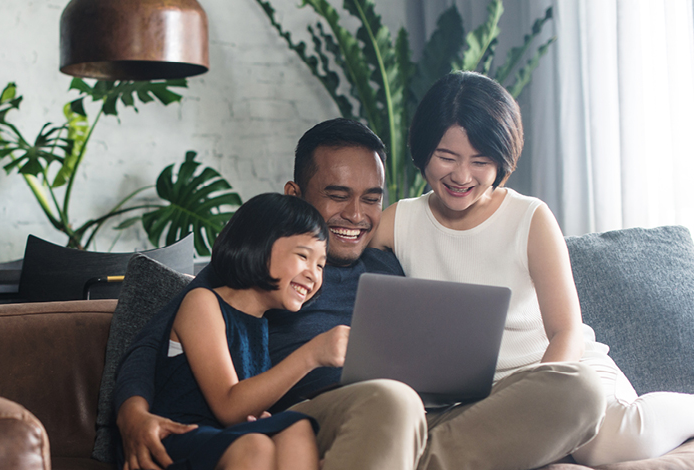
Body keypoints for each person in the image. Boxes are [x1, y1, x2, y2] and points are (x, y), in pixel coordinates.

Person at [371, 70, 694, 468]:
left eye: (480, 161)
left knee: (603, 445)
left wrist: (541, 401)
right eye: (446, 157)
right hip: (477, 397)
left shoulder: (529, 217)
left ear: (502, 161)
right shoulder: (399, 221)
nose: (461, 175)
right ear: (422, 151)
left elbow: (567, 330)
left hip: (561, 372)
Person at [113, 118, 427, 470]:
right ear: (294, 196)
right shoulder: (246, 279)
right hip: (342, 410)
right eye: (338, 196)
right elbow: (148, 347)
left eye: (371, 199)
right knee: (389, 402)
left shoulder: (387, 266)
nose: (355, 215)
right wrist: (132, 414)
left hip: (410, 414)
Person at [143, 192, 340, 470]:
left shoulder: (260, 325)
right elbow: (229, 406)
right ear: (258, 244)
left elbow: (243, 410)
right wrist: (313, 354)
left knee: (296, 427)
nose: (314, 274)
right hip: (176, 441)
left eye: (320, 265)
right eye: (303, 256)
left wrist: (259, 417)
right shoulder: (203, 302)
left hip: (222, 440)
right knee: (256, 444)